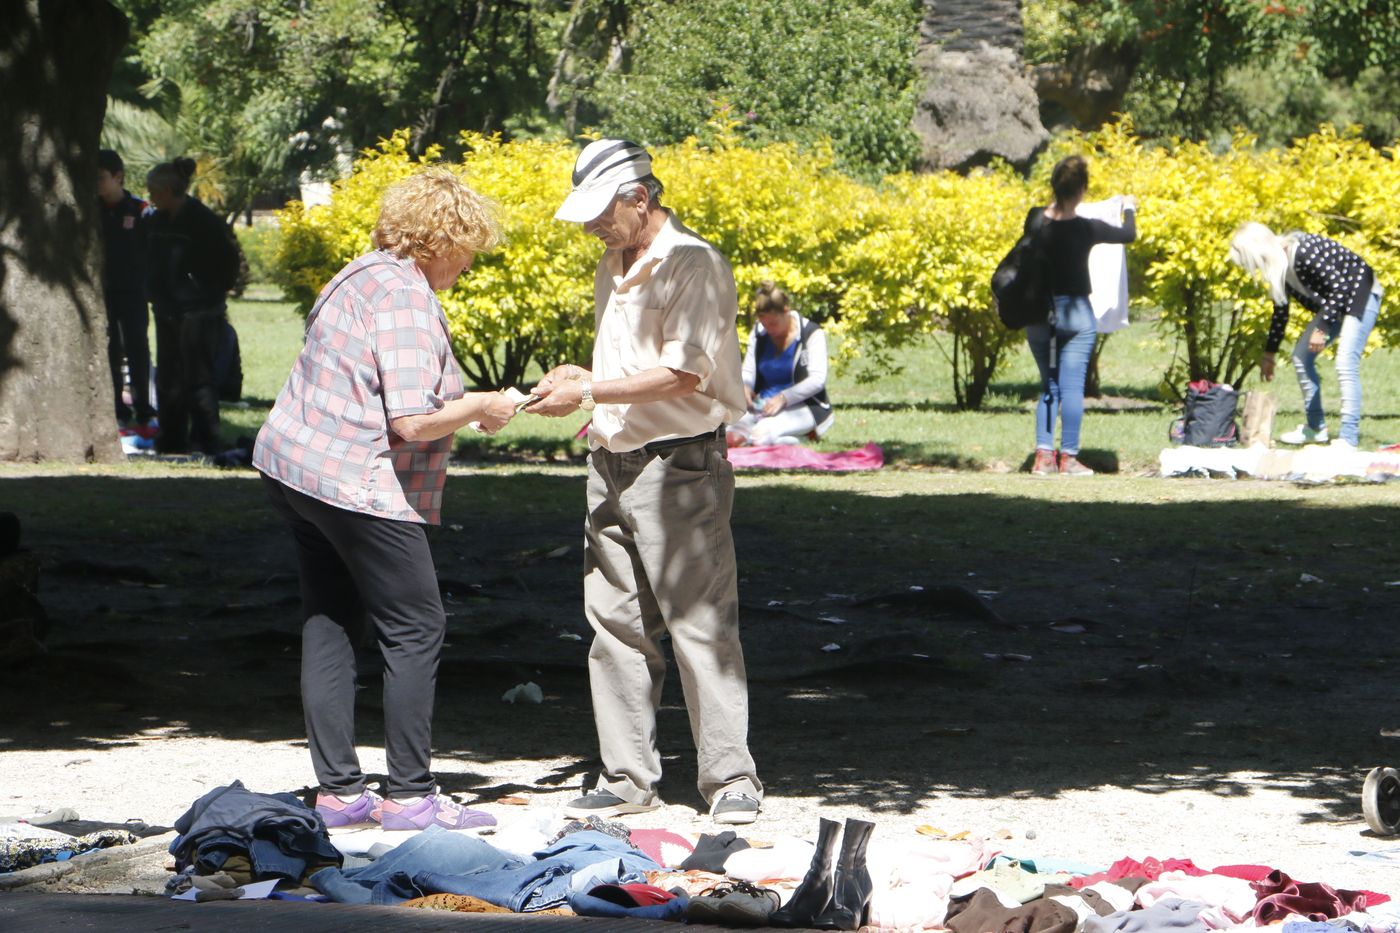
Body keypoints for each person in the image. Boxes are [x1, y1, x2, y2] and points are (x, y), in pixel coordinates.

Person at [252, 168, 518, 831]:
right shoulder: (404, 295)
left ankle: (340, 792)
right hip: (351, 476)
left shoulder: (362, 273)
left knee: (332, 616)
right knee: (416, 623)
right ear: (439, 239)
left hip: (295, 465)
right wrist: (481, 405)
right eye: (465, 248)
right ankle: (409, 794)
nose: (467, 262)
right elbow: (410, 420)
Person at [527, 139, 763, 825]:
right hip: (611, 459)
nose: (593, 227)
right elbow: (628, 366)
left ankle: (731, 778)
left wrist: (589, 389)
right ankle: (627, 776)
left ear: (641, 199)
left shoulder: (695, 264)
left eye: (603, 212)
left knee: (700, 623)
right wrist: (580, 385)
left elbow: (682, 375)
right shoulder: (614, 260)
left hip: (680, 465)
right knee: (614, 625)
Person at [1023, 156, 1136, 476]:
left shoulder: (1034, 219)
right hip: (1075, 314)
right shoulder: (1086, 228)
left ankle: (1043, 458)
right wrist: (1129, 206)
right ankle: (1068, 459)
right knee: (1072, 388)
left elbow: (1046, 218)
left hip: (1039, 313)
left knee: (1050, 386)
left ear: (1054, 186)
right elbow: (1128, 234)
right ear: (1084, 190)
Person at [1228, 222, 1383, 450]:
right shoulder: (1280, 268)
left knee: (1345, 363)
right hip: (1337, 305)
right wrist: (1269, 354)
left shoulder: (1301, 252)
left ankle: (1348, 438)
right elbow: (1281, 313)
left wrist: (1320, 329)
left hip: (1361, 295)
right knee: (1301, 357)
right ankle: (1316, 428)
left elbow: (1341, 288)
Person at [145, 157, 240, 454]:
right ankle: (171, 438)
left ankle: (206, 438)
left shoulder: (202, 221)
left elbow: (227, 261)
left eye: (156, 193)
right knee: (168, 377)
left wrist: (207, 292)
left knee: (199, 377)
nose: (151, 198)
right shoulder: (156, 222)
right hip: (167, 308)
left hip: (199, 309)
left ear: (171, 190)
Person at [729, 282, 834, 447]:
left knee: (759, 436)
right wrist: (746, 387)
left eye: (773, 324)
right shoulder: (758, 332)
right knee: (730, 437)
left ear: (786, 311)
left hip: (803, 406)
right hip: (762, 405)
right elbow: (748, 370)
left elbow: (817, 379)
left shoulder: (812, 333)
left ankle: (803, 437)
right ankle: (775, 440)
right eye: (764, 324)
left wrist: (784, 398)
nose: (769, 329)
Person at [97, 149, 156, 426]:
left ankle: (144, 407)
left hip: (133, 293)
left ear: (118, 177)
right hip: (103, 294)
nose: (97, 184)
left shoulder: (139, 210)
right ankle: (117, 409)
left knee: (137, 349)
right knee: (108, 349)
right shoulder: (91, 210)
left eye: (101, 178)